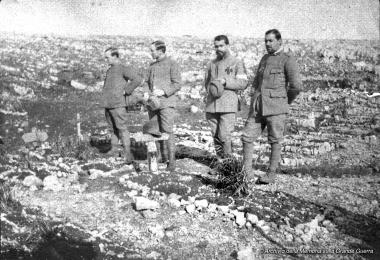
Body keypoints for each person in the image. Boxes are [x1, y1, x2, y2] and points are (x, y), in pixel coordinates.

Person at [241, 29, 302, 184]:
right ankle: (247, 172)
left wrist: (283, 101)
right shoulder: (264, 58)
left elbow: (296, 86)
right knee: (247, 137)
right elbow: (256, 81)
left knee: (275, 140)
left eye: (271, 41)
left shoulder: (288, 59)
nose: (267, 43)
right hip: (258, 107)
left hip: (276, 107)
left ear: (279, 41)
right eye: (266, 41)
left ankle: (271, 174)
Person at [204, 35, 248, 159]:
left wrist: (225, 81)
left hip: (228, 104)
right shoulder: (211, 64)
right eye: (216, 46)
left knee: (224, 135)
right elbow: (206, 83)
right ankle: (220, 163)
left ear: (227, 45)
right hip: (212, 105)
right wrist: (212, 90)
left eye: (221, 46)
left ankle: (228, 165)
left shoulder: (236, 62)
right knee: (215, 135)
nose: (219, 48)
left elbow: (243, 83)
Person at [102, 47, 144, 164]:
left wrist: (127, 91)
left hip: (118, 105)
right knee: (112, 129)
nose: (106, 60)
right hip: (108, 104)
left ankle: (128, 155)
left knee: (122, 129)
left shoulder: (123, 69)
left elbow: (137, 79)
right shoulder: (110, 70)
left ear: (115, 56)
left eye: (108, 57)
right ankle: (114, 150)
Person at [144, 40, 182, 171]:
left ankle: (171, 161)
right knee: (155, 129)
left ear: (160, 51)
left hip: (166, 103)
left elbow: (177, 84)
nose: (151, 53)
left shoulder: (172, 64)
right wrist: (147, 93)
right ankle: (160, 156)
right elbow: (146, 82)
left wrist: (163, 91)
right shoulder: (151, 66)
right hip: (153, 104)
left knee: (167, 130)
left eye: (152, 50)